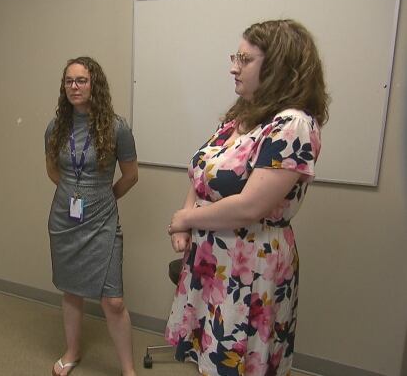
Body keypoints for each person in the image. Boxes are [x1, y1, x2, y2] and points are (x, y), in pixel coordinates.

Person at [165, 19, 329, 376]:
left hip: (250, 265)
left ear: (277, 67)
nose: (233, 67)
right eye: (234, 57)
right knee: (210, 359)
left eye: (245, 59)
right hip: (212, 258)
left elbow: (250, 207)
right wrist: (186, 214)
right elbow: (203, 170)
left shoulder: (292, 125)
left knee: (238, 363)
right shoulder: (241, 114)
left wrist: (185, 220)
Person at [45, 57, 139, 376]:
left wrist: (102, 196)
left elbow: (130, 175)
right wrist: (75, 194)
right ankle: (72, 351)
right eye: (69, 81)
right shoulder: (55, 127)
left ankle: (128, 370)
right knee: (71, 289)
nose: (74, 86)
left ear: (94, 84)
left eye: (81, 80)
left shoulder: (117, 127)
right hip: (64, 219)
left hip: (102, 220)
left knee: (112, 300)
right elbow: (53, 171)